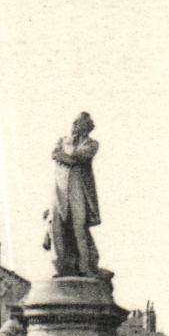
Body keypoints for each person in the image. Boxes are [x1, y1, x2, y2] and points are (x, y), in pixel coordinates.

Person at [44, 112, 102, 276]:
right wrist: (65, 155)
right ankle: (61, 265)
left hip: (79, 190)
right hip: (60, 190)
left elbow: (78, 157)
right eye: (75, 122)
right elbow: (55, 153)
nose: (74, 125)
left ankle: (85, 265)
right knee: (57, 225)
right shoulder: (63, 140)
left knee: (79, 227)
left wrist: (64, 155)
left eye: (79, 123)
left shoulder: (92, 144)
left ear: (87, 127)